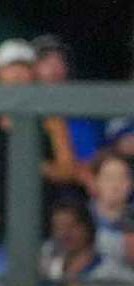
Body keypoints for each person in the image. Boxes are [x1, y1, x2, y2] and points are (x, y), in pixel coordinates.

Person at [0, 39, 78, 219]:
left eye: (24, 67)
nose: (17, 74)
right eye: (10, 67)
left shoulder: (51, 120)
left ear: (33, 73)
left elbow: (68, 170)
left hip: (39, 218)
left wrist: (41, 167)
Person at [31, 34, 107, 178]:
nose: (53, 68)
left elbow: (92, 158)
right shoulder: (19, 114)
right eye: (45, 60)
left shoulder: (82, 111)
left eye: (59, 61)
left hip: (78, 191)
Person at [40, 198, 134, 286]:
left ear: (87, 227)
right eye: (59, 227)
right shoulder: (48, 262)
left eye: (72, 226)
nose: (65, 233)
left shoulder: (110, 271)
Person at [89, 151, 134, 273]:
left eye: (122, 178)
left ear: (130, 184)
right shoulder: (81, 216)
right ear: (95, 181)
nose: (116, 185)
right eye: (109, 178)